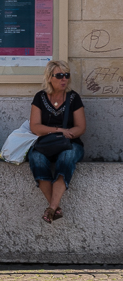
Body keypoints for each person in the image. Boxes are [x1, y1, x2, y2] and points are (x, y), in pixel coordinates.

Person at [28, 61, 86, 224]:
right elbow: (35, 127)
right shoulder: (40, 97)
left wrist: (68, 134)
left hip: (70, 144)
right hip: (46, 144)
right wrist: (58, 130)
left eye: (66, 75)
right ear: (49, 78)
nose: (64, 79)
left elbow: (81, 127)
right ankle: (55, 207)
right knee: (36, 158)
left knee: (66, 157)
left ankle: (52, 208)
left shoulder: (73, 97)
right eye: (59, 75)